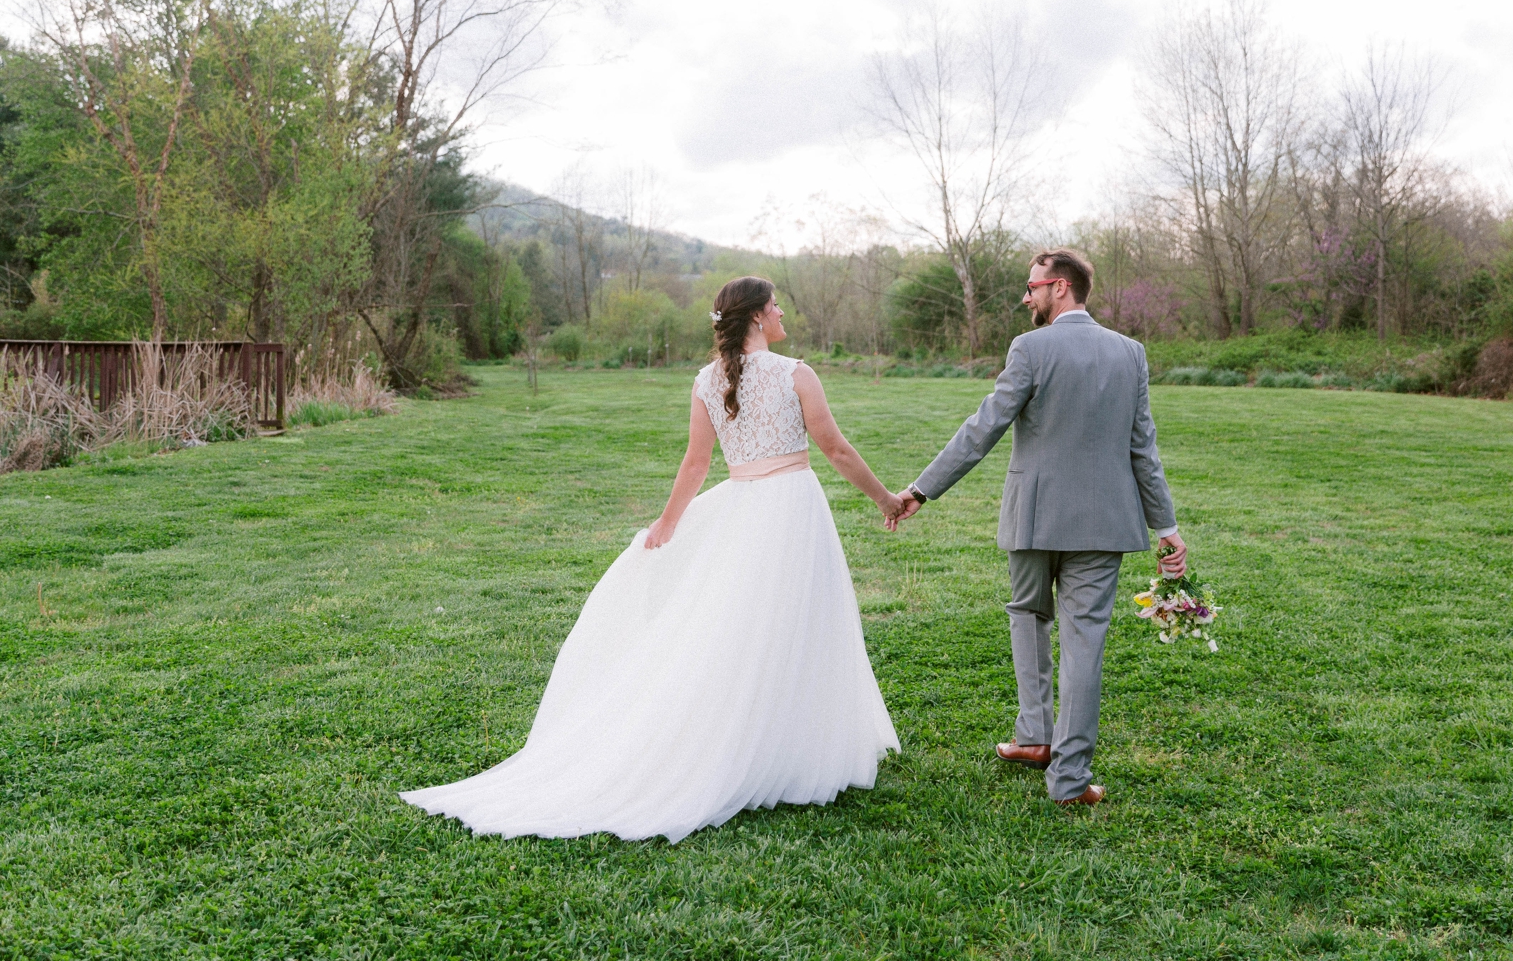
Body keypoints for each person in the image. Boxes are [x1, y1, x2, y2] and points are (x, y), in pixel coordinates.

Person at [401, 276, 906, 842]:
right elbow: (833, 448)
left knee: (744, 627)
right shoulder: (796, 374)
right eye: (776, 305)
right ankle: (784, 746)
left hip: (744, 509)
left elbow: (696, 464)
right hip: (789, 508)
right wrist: (887, 500)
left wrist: (669, 524)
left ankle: (772, 738)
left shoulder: (707, 381)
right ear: (759, 318)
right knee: (795, 621)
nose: (783, 311)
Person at [891, 247, 1186, 807]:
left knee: (1028, 617)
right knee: (1083, 643)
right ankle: (1060, 769)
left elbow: (983, 428)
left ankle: (1035, 736)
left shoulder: (1031, 348)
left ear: (1060, 288)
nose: (1025, 297)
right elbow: (1142, 450)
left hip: (1033, 517)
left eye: (1032, 287)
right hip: (1104, 523)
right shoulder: (1131, 354)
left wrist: (921, 490)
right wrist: (1165, 526)